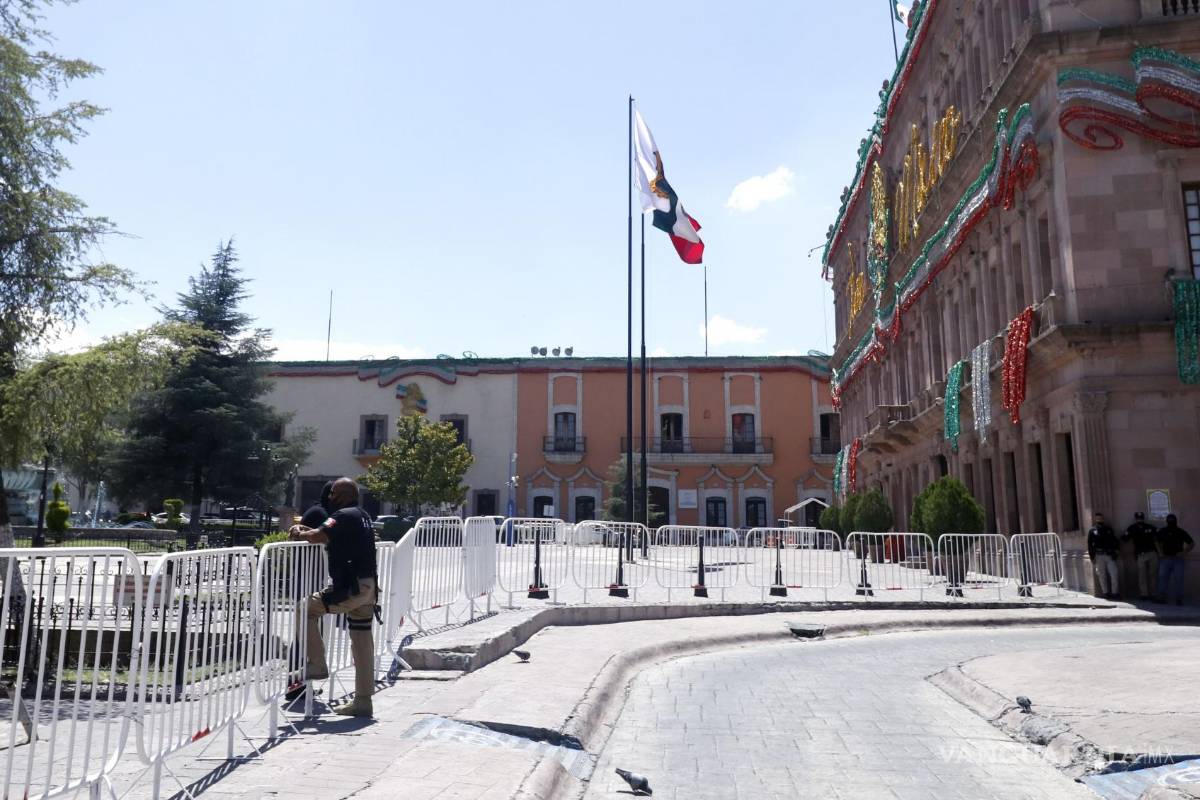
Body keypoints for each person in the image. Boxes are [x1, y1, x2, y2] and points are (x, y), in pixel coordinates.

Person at [289, 477, 378, 717]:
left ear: (341, 495)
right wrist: (310, 531)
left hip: (349, 587)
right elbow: (328, 534)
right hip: (368, 587)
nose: (329, 498)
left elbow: (319, 535)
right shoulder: (362, 515)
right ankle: (363, 701)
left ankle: (317, 663)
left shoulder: (340, 515)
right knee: (362, 642)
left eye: (333, 494)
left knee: (304, 608)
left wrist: (297, 533)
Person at [1156, 514, 1194, 605]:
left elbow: (1191, 543)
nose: (1171, 522)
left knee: (1179, 579)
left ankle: (1179, 599)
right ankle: (1161, 597)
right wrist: (1160, 552)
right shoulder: (1163, 531)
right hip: (1165, 558)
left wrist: (1184, 552)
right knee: (1162, 578)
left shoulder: (1180, 531)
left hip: (1178, 559)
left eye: (1172, 520)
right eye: (1170, 520)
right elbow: (1156, 541)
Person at [1123, 511, 1158, 600]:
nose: (1140, 520)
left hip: (1151, 553)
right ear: (1136, 519)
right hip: (1141, 554)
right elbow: (1124, 538)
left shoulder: (1149, 527)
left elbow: (1158, 535)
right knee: (1142, 575)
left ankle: (1153, 594)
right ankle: (1144, 594)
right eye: (1139, 518)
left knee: (1152, 575)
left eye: (1141, 518)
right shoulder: (1132, 528)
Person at [1087, 512, 1120, 600]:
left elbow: (1114, 540)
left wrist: (1116, 551)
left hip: (1109, 555)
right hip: (1099, 555)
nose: (1099, 519)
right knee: (1102, 575)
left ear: (1103, 519)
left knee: (1114, 573)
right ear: (1095, 519)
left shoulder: (1108, 529)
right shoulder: (1092, 531)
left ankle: (1115, 593)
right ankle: (1106, 593)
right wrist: (1092, 557)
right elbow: (1090, 545)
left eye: (1100, 518)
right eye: (1097, 518)